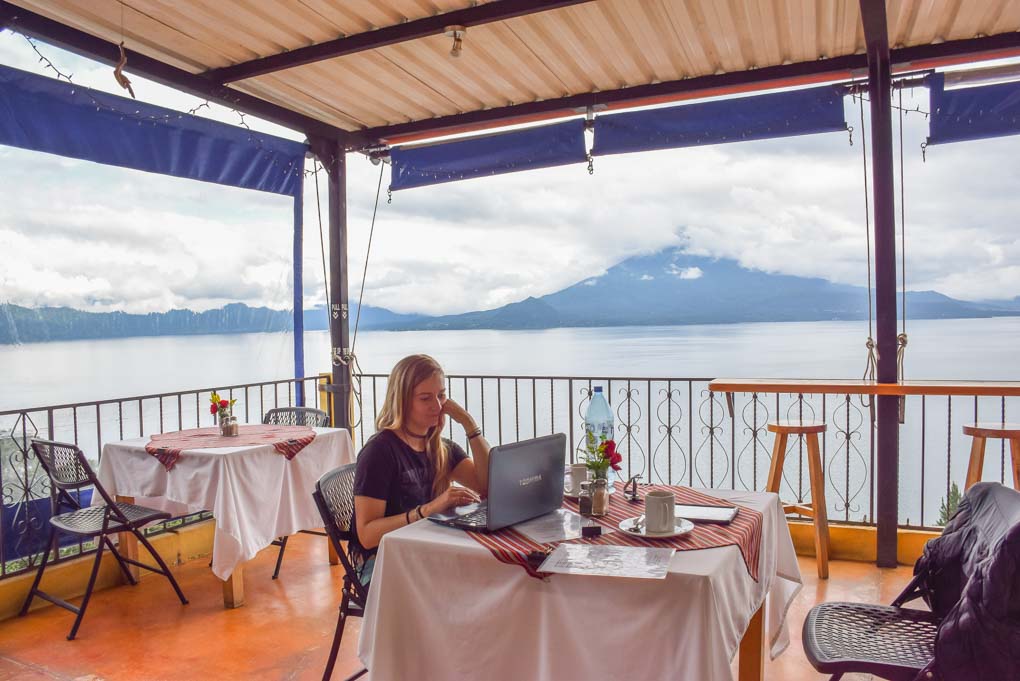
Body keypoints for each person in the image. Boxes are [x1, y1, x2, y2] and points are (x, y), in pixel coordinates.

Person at [350, 354, 490, 582]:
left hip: (425, 549)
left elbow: (486, 484)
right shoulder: (379, 452)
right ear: (403, 401)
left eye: (441, 396)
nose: (437, 406)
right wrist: (429, 509)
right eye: (426, 398)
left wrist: (468, 423)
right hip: (382, 563)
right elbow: (367, 535)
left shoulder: (440, 448)